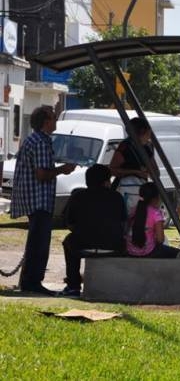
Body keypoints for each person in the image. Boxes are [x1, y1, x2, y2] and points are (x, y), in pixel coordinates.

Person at [10, 106, 76, 295]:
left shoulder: (34, 140)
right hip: (38, 199)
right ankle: (33, 282)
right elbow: (41, 174)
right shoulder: (40, 142)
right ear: (46, 121)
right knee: (39, 244)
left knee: (36, 242)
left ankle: (29, 280)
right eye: (53, 118)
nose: (56, 121)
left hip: (33, 198)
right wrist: (62, 170)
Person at [60, 164, 127, 297]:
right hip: (113, 247)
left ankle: (73, 286)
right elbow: (123, 223)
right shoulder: (117, 197)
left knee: (68, 241)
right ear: (107, 181)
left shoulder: (77, 196)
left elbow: (69, 223)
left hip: (82, 246)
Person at [109, 117, 158, 214]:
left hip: (142, 190)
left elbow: (156, 172)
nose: (150, 134)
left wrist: (150, 172)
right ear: (142, 131)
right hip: (125, 191)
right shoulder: (125, 146)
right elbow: (112, 170)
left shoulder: (148, 147)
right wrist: (135, 172)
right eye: (148, 130)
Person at [125, 182, 180, 258]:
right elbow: (160, 239)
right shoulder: (155, 213)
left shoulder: (133, 210)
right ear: (156, 198)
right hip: (148, 252)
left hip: (130, 251)